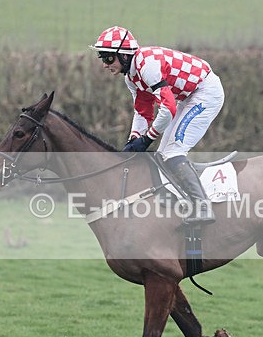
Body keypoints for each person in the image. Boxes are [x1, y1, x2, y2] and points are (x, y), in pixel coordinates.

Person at [90, 26, 225, 225]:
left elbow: (168, 108)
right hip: (188, 96)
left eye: (108, 58)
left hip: (205, 93)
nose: (104, 64)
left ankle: (203, 207)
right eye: (102, 57)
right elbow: (143, 111)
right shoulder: (131, 77)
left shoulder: (147, 67)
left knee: (172, 152)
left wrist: (147, 138)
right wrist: (134, 138)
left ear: (124, 56)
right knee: (163, 155)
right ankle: (177, 199)